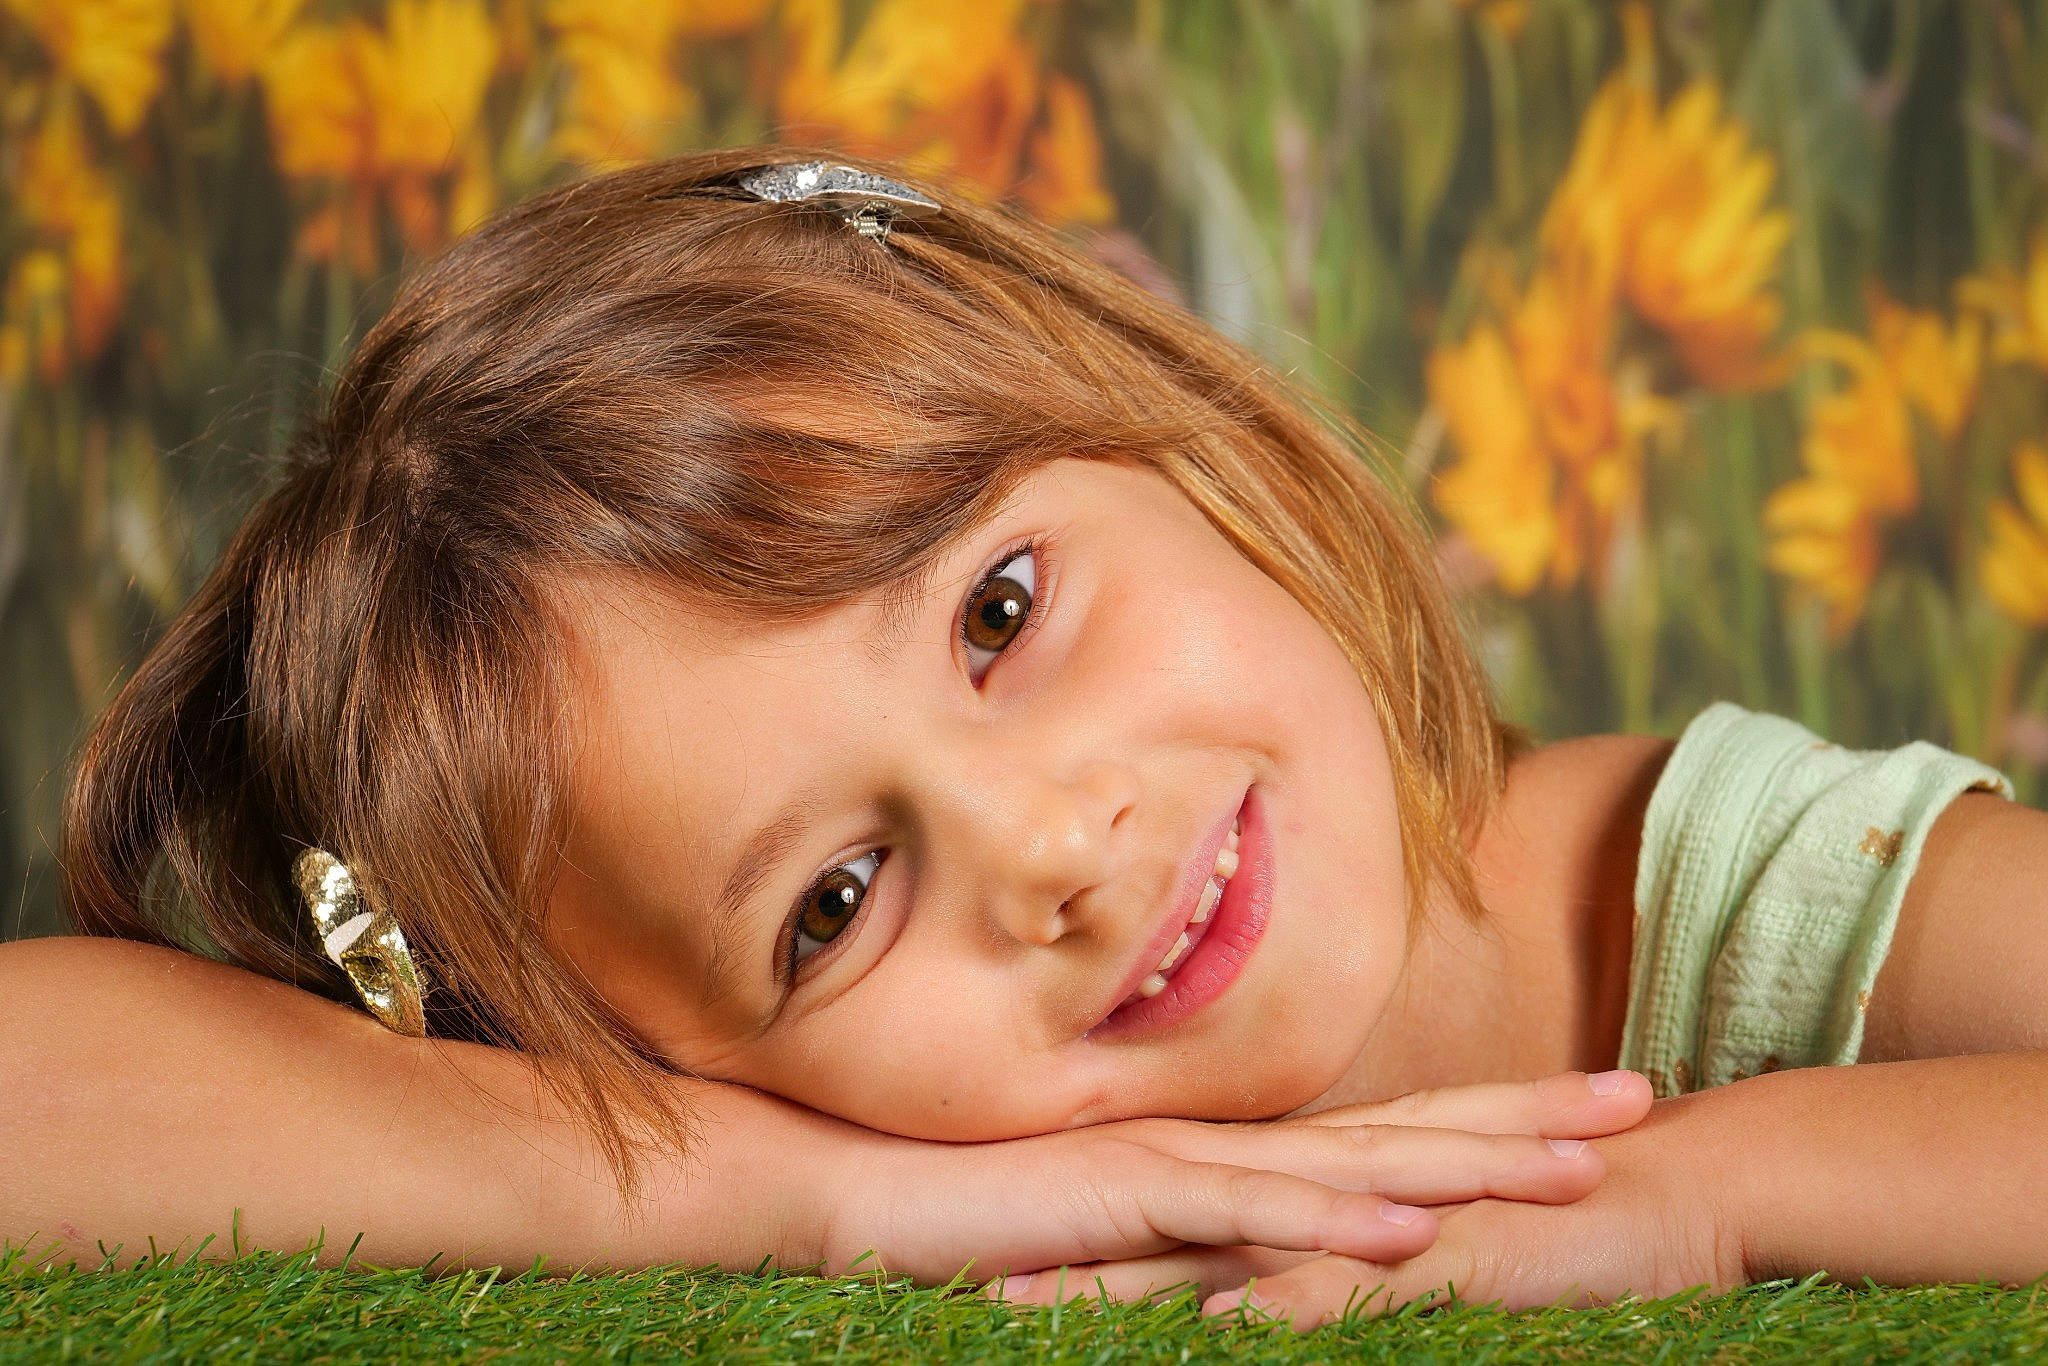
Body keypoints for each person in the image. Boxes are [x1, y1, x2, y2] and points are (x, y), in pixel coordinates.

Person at [6, 147, 2045, 1332]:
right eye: (831, 900)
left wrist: (1701, 1188)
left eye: (998, 609)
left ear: (1176, 425)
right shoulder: (861, 1166)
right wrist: (803, 1195)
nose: (1050, 844)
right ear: (666, 1063)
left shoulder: (1739, 882)